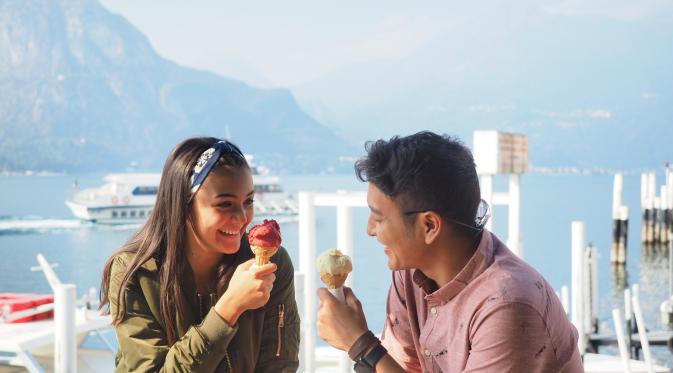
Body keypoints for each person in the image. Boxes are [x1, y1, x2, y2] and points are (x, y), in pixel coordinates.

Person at [316, 131, 583, 372]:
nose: (370, 230)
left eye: (379, 218)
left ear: (429, 225)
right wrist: (363, 347)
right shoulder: (411, 271)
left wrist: (360, 344)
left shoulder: (507, 305)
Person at [100, 137, 300, 372]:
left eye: (248, 201)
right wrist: (228, 309)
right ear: (183, 204)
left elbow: (279, 365)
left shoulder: (273, 264)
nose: (242, 217)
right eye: (225, 204)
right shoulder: (136, 273)